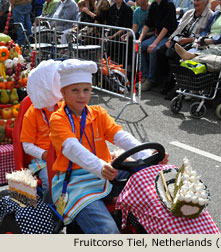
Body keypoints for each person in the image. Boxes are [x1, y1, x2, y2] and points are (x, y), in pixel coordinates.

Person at [49, 59, 169, 233]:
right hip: (75, 181)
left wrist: (149, 155)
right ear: (63, 93)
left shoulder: (98, 113)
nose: (81, 95)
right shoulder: (58, 119)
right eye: (75, 90)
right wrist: (99, 166)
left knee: (150, 187)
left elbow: (121, 137)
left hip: (105, 173)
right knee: (108, 231)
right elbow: (71, 148)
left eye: (86, 90)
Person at [20, 60, 63, 204]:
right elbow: (26, 145)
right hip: (43, 160)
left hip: (65, 153)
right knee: (50, 183)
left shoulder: (63, 106)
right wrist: (46, 155)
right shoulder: (31, 114)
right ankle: (49, 213)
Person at [158, 0, 213, 97]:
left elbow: (206, 35)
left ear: (205, 2)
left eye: (198, 1)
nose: (195, 3)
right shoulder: (189, 13)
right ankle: (164, 81)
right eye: (194, 0)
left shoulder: (210, 15)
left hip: (193, 43)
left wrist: (188, 40)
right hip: (178, 40)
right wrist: (170, 39)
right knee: (161, 51)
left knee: (176, 56)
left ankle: (175, 87)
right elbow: (178, 29)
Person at [138, 0, 177, 91]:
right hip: (157, 35)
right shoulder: (154, 5)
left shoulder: (169, 5)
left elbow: (166, 27)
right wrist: (139, 40)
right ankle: (144, 76)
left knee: (154, 50)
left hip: (168, 36)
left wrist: (154, 43)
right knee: (140, 46)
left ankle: (151, 80)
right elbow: (148, 24)